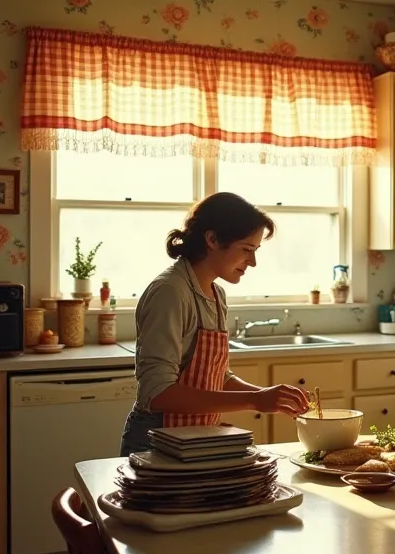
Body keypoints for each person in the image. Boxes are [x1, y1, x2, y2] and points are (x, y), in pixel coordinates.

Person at [119, 192, 310, 456]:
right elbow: (158, 392)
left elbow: (216, 376)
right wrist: (255, 400)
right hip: (156, 442)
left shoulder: (215, 294)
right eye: (246, 250)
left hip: (195, 439)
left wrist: (266, 395)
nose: (252, 262)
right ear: (212, 239)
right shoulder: (170, 291)